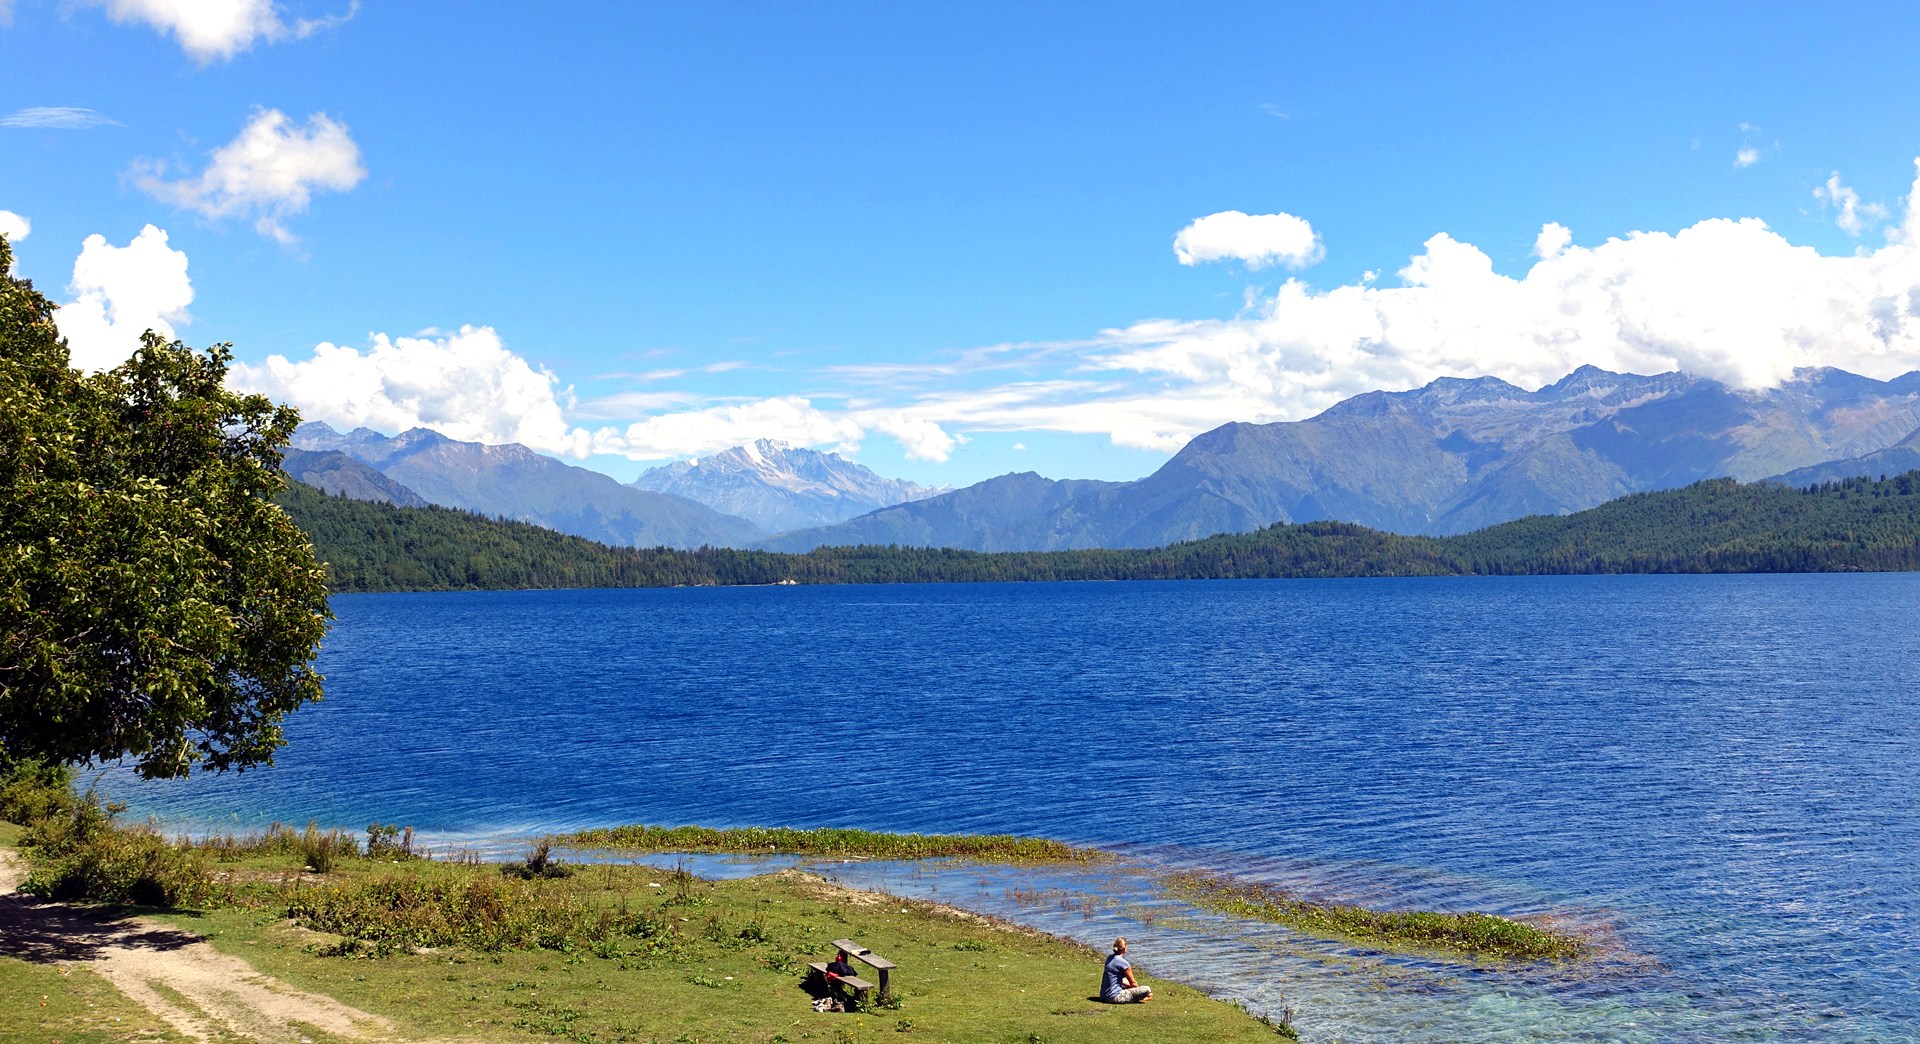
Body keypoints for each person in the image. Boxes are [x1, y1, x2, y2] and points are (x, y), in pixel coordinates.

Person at [1100, 937, 1152, 1003]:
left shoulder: (1110, 958)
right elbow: (1133, 983)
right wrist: (1138, 991)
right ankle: (1144, 997)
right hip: (1114, 997)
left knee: (1124, 981)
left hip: (1103, 996)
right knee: (1147, 989)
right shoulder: (1124, 963)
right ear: (1125, 948)